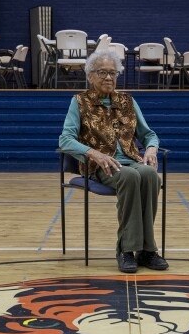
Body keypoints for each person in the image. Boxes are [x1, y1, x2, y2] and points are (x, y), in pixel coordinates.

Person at [59, 50, 169, 274]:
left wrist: (151, 148)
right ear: (90, 76)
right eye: (102, 72)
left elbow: (149, 134)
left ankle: (147, 251)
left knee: (149, 175)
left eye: (113, 73)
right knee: (129, 177)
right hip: (100, 166)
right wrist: (94, 154)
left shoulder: (127, 101)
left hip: (130, 159)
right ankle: (126, 250)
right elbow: (65, 139)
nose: (108, 78)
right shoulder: (79, 102)